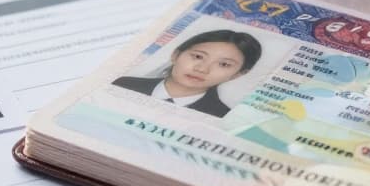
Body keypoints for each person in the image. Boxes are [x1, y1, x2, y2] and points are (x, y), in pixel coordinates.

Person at [112, 29, 263, 118]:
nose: (202, 69)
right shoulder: (123, 84)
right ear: (176, 55)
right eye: (198, 56)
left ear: (237, 74)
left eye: (224, 64)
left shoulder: (222, 116)